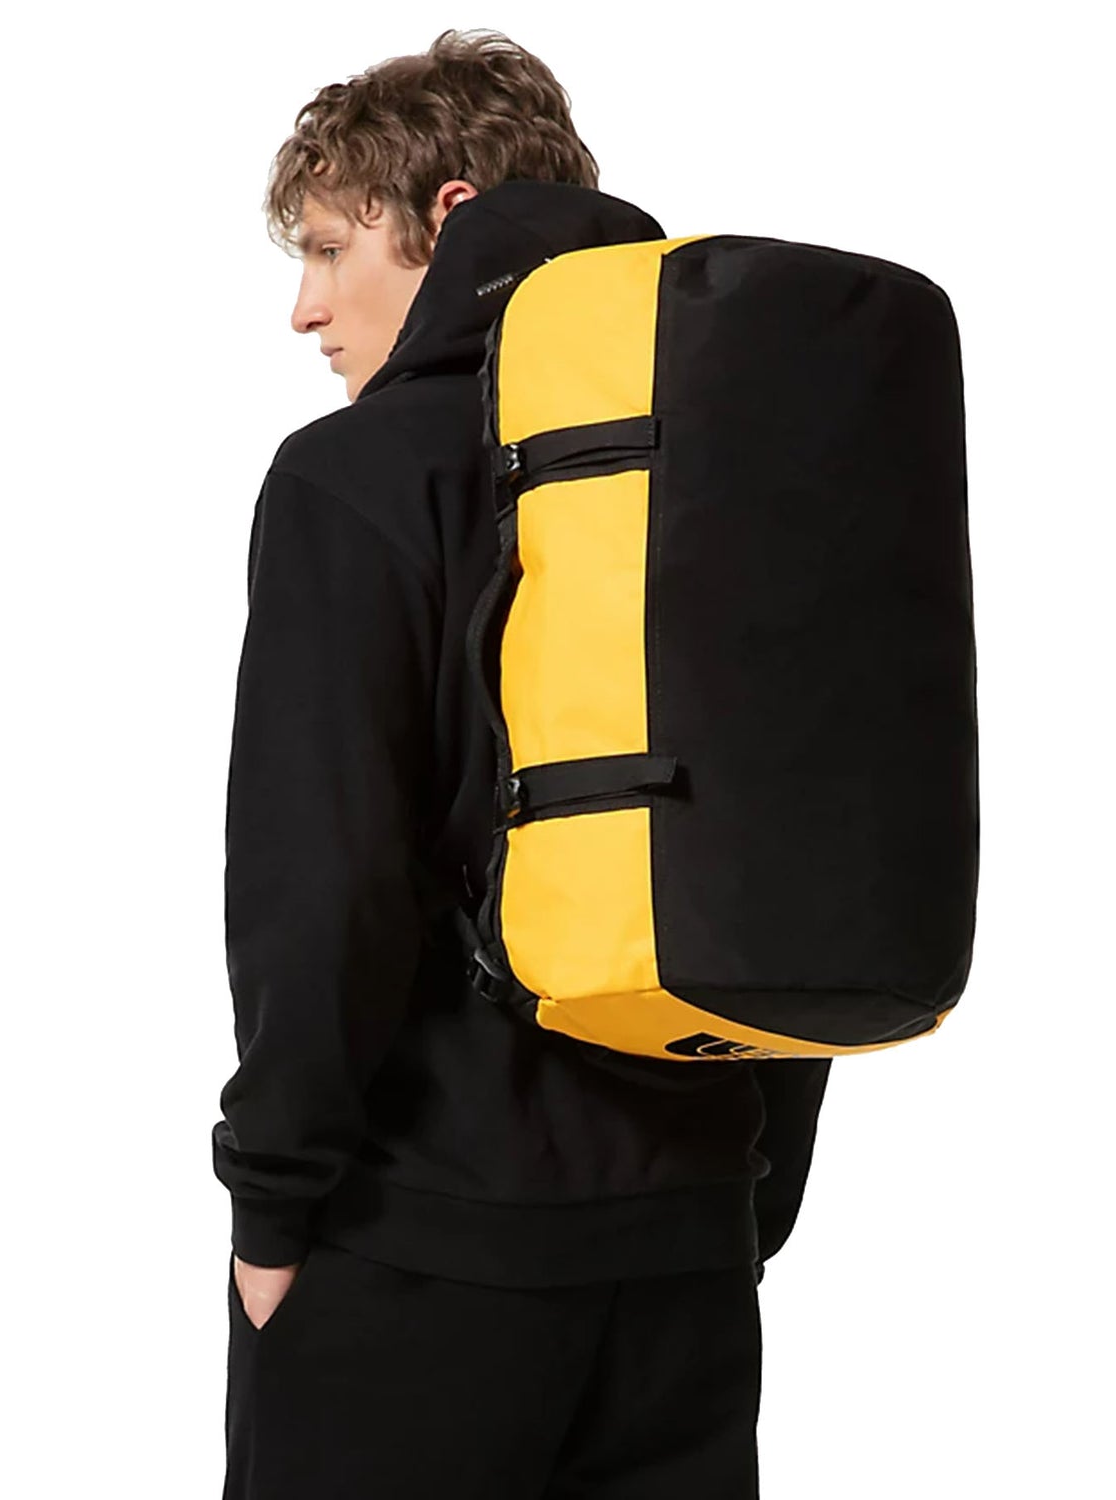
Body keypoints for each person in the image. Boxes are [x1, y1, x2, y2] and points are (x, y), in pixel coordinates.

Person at [213, 28, 833, 1499]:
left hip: (418, 1247)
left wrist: (273, 1207)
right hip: (685, 1261)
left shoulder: (356, 477)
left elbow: (324, 883)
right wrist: (741, 1194)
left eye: (328, 248)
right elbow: (803, 839)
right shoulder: (723, 466)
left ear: (448, 216)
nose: (305, 309)